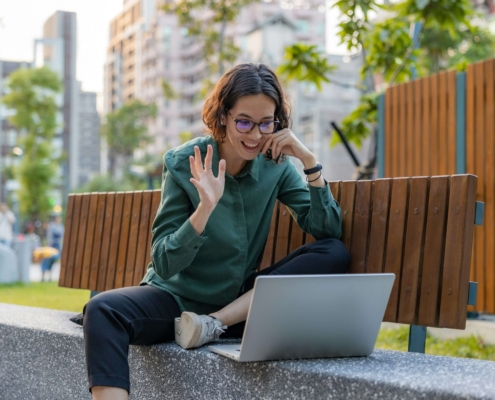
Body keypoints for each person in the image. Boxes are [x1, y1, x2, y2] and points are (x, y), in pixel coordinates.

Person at [83, 63, 350, 400]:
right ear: (223, 115)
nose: (255, 135)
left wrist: (309, 160)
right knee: (102, 311)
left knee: (333, 253)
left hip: (236, 307)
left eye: (266, 123)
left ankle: (212, 323)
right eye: (244, 122)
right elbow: (164, 263)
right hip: (176, 300)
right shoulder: (184, 162)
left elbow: (328, 230)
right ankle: (204, 324)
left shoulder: (276, 165)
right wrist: (204, 209)